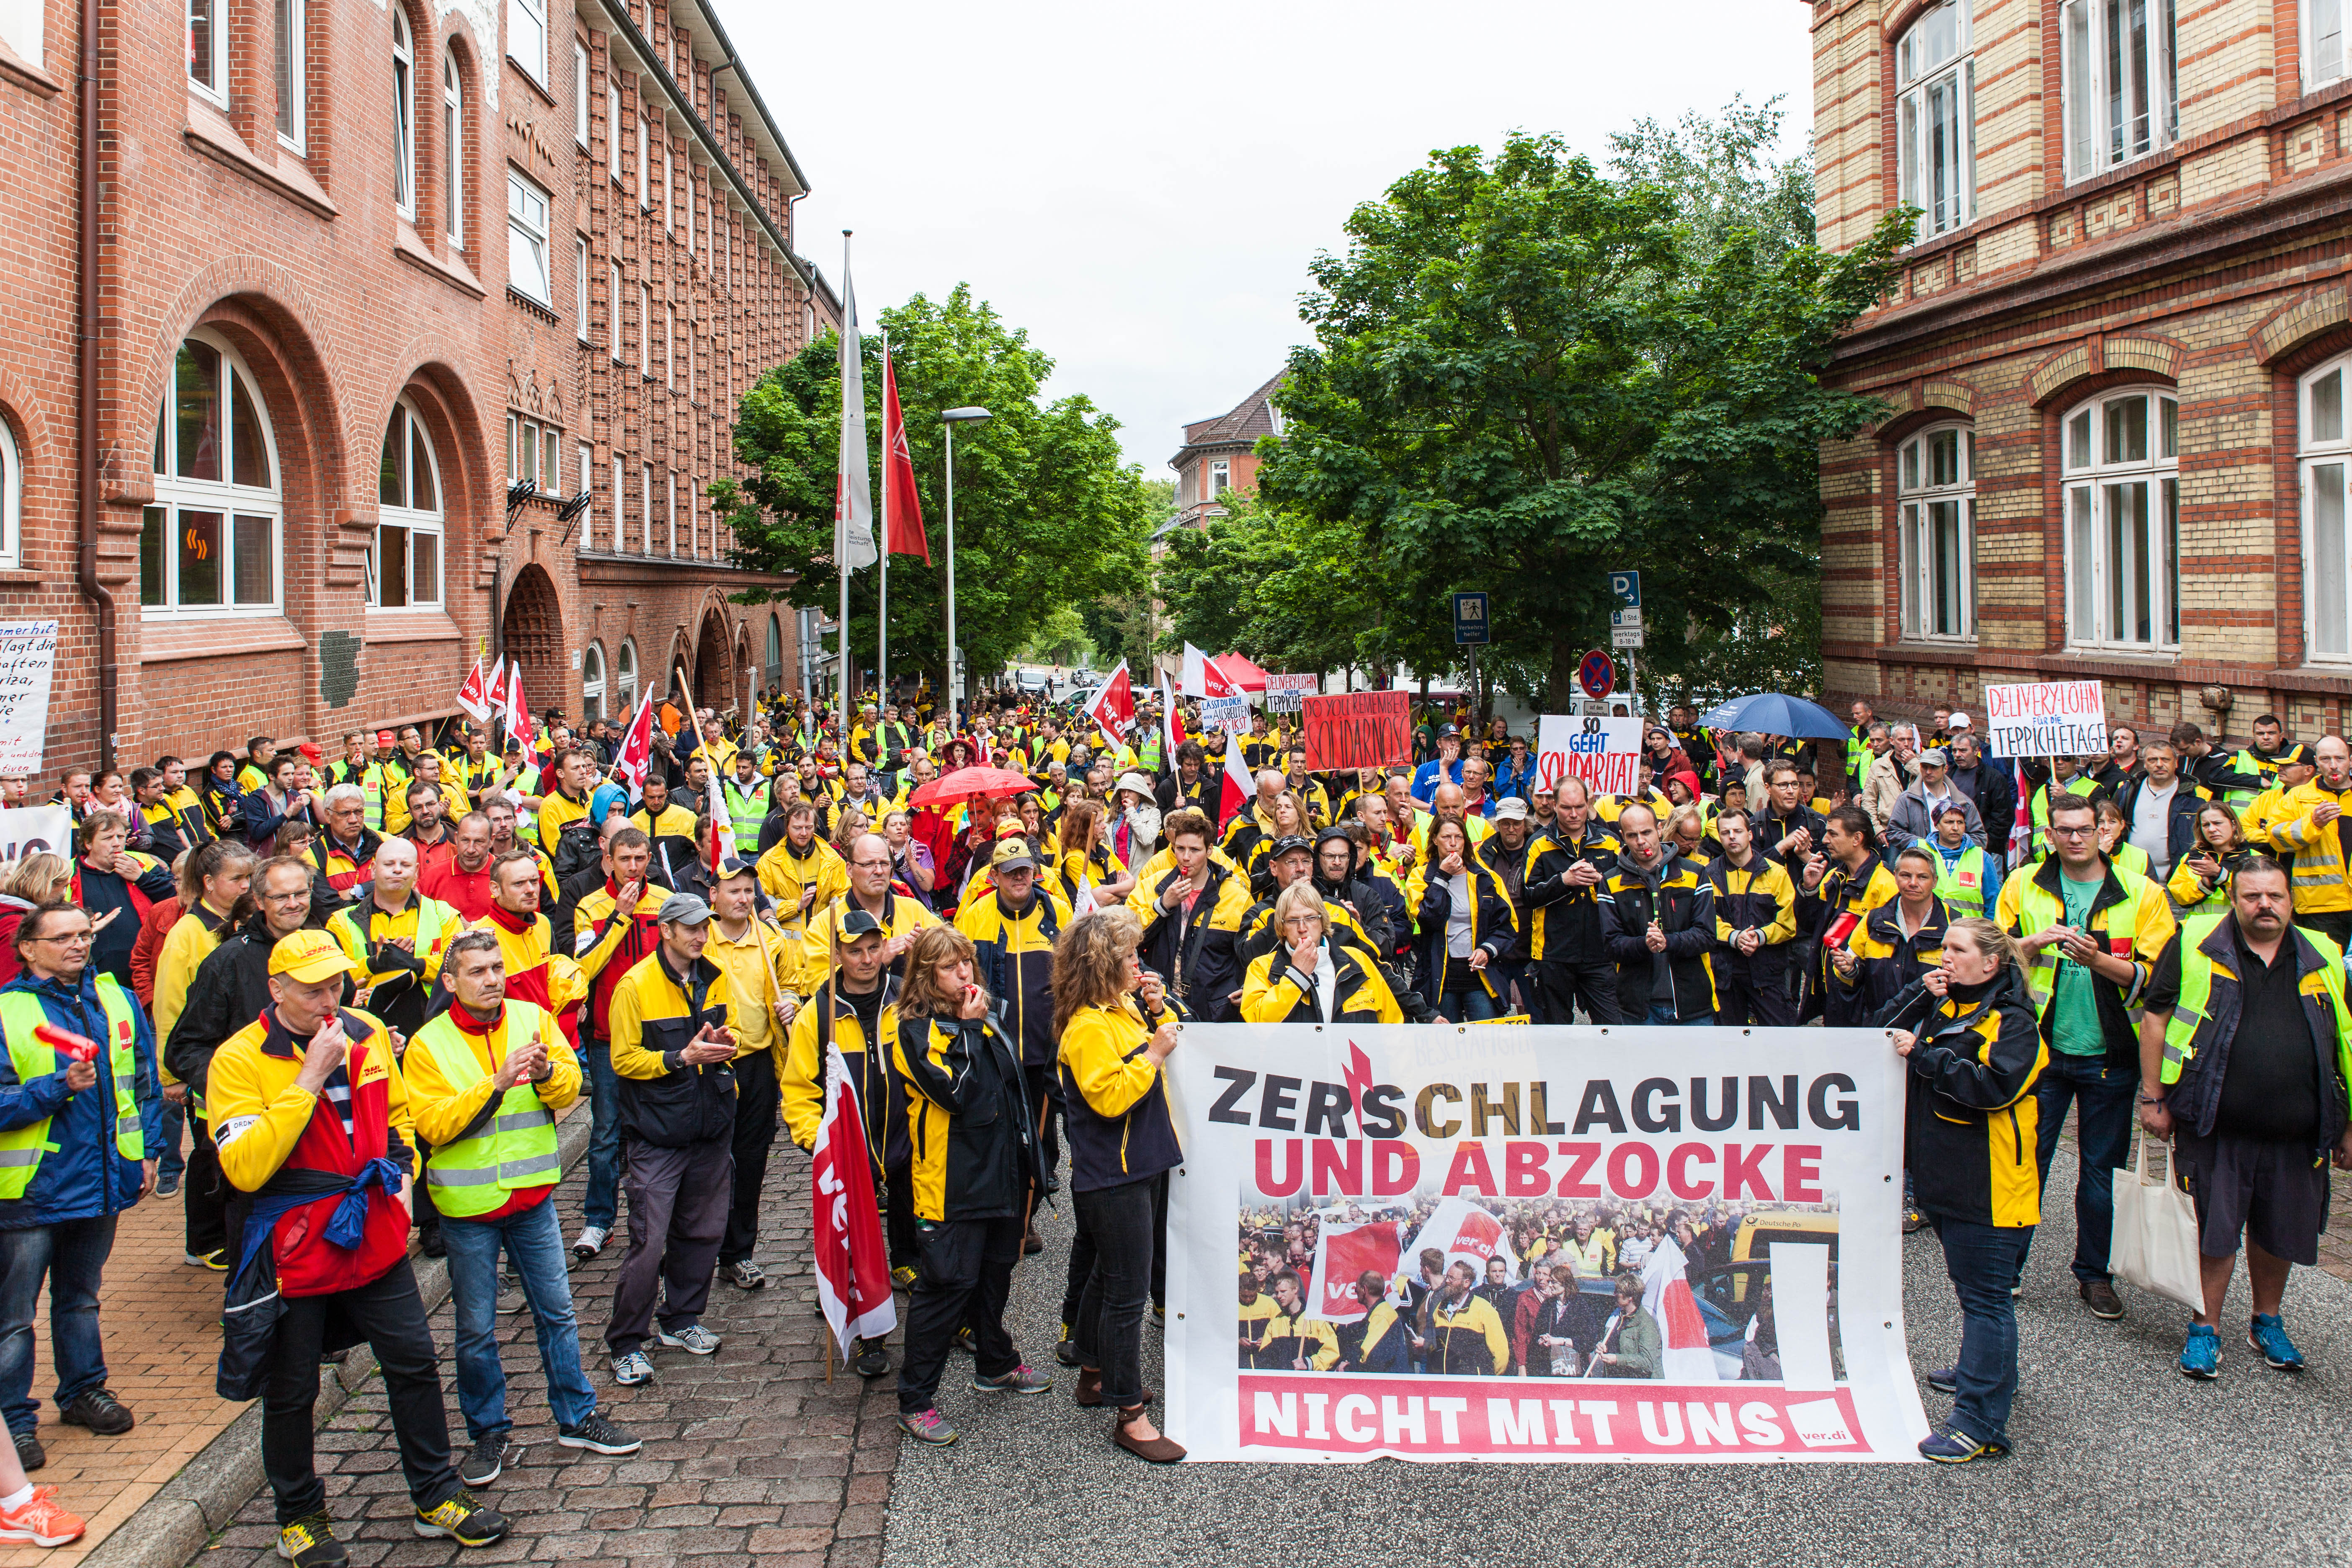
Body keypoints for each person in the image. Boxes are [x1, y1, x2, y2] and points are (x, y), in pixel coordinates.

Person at [207, 928, 508, 1559]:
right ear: (276, 990)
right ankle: (300, 1517)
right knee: (293, 1390)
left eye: (337, 985)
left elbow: (397, 1115)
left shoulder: (365, 1031)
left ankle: (435, 1494)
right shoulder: (238, 1059)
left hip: (372, 1228)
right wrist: (310, 1077)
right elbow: (245, 1168)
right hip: (294, 1245)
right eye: (313, 990)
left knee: (414, 1362)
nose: (329, 1001)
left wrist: (402, 1176)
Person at [401, 931, 639, 1485]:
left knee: (558, 1313)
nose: (491, 979)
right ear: (450, 981)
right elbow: (432, 1126)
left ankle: (577, 1416)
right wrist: (497, 1083)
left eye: (496, 968)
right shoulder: (428, 1045)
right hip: (469, 1209)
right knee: (476, 1330)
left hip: (533, 1198)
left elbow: (572, 1087)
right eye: (477, 971)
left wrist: (549, 1075)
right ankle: (488, 1432)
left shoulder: (533, 1017)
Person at [2138, 859, 2352, 1379]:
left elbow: (2345, 1039)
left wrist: (2349, 1124)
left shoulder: (2323, 953)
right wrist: (2154, 1097)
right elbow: (2156, 1017)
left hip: (2299, 1131)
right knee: (2214, 1231)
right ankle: (2204, 1328)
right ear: (2234, 900)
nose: (2265, 906)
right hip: (2216, 1123)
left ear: (2291, 900)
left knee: (2280, 1230)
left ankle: (2267, 1321)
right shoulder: (2196, 941)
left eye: (2275, 896)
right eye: (2253, 896)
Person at [1996, 792, 2175, 1319]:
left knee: (2101, 1175)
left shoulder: (2142, 893)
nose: (2075, 838)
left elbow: (2156, 980)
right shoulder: (2023, 883)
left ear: (2104, 832)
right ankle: (2008, 1269)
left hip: (2110, 1055)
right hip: (2041, 1052)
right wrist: (2033, 943)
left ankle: (2095, 1275)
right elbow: (1991, 957)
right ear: (2050, 835)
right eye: (2065, 830)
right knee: (2028, 1163)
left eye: (2085, 829)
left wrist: (2099, 961)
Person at [0, 902, 158, 1472]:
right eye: (62, 937)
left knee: (81, 1298)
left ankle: (84, 1391)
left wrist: (149, 1153)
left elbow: (142, 1083)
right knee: (14, 1317)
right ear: (28, 949)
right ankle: (13, 1422)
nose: (78, 945)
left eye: (83, 935)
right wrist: (56, 1087)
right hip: (31, 1191)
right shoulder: (8, 1012)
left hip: (100, 1180)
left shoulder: (114, 999)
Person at [1879, 917, 2044, 1462]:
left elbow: (1993, 1088)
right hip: (1948, 1179)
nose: (1945, 957)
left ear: (1991, 963)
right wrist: (1917, 995)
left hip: (1991, 1185)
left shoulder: (2014, 1023)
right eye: (1944, 947)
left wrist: (1924, 1055)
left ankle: (1980, 1422)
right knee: (1974, 1293)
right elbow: (1877, 1034)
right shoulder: (1946, 1004)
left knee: (1987, 1301)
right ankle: (1987, 1372)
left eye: (1958, 949)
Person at [891, 926, 1049, 1446]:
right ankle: (916, 1400)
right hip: (951, 1180)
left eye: (966, 962)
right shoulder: (914, 1031)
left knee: (995, 1273)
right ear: (926, 976)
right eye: (949, 966)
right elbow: (954, 1092)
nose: (964, 972)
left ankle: (995, 1362)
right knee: (947, 1285)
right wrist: (968, 1030)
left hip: (999, 1170)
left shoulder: (985, 1014)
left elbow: (1012, 1085)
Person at [1053, 910, 1184, 1462]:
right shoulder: (1088, 1026)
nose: (1139, 963)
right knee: (1128, 1294)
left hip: (1137, 1164)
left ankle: (1093, 1372)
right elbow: (1110, 1098)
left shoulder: (1119, 1009)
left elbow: (1163, 1041)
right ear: (1104, 965)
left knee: (1108, 1277)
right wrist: (1153, 1052)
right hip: (1115, 1174)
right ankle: (1130, 1415)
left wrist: (1156, 1012)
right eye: (1129, 956)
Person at [603, 893, 740, 1387]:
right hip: (657, 1134)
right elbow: (623, 1060)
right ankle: (626, 1342)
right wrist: (680, 1058)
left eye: (705, 927)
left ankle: (681, 1318)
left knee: (703, 1232)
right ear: (666, 931)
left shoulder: (715, 974)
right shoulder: (634, 985)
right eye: (691, 928)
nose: (701, 936)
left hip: (710, 1126)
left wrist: (725, 1045)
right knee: (649, 1240)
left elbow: (735, 1032)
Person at [781, 910, 909, 1354]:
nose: (867, 959)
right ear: (838, 954)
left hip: (906, 1144)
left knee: (918, 1242)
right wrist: (818, 1142)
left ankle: (937, 1320)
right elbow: (799, 1091)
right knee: (859, 1252)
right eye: (855, 951)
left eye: (874, 948)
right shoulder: (817, 1015)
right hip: (850, 1155)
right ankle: (871, 1338)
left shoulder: (906, 998)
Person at [567, 828, 667, 1263]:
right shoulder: (591, 906)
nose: (633, 867)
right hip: (608, 1036)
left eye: (640, 859)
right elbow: (584, 967)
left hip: (655, 1033)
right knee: (606, 1134)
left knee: (656, 1131)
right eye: (625, 858)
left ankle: (656, 1218)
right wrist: (619, 919)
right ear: (609, 859)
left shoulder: (663, 900)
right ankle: (599, 1219)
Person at [699, 861, 798, 1294]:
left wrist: (792, 1002)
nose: (743, 899)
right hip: (711, 1065)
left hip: (758, 1063)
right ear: (714, 895)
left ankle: (738, 1253)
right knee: (706, 1163)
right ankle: (693, 1252)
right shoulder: (700, 939)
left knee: (752, 1159)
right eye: (734, 891)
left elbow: (792, 983)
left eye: (748, 892)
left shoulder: (770, 939)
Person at [325, 839, 454, 1046]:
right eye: (389, 864)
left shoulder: (443, 914)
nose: (397, 870)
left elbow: (459, 968)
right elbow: (334, 977)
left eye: (405, 865)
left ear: (417, 872)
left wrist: (417, 965)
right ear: (374, 870)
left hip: (433, 1029)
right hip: (364, 1031)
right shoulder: (341, 922)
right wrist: (374, 963)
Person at [1126, 809, 1250, 1019]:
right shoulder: (1152, 885)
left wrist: (1248, 986)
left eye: (1195, 850)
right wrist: (1163, 905)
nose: (1185, 857)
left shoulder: (1237, 897)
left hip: (1216, 1012)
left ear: (1210, 851)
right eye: (1180, 849)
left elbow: (1253, 955)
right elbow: (1128, 940)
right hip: (1160, 1005)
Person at [1602, 803, 1715, 1026]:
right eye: (1632, 835)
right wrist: (1644, 944)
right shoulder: (1611, 881)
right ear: (1623, 836)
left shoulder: (1695, 873)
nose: (1641, 841)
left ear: (1660, 829)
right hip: (1638, 1007)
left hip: (1692, 1004)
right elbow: (1611, 945)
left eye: (1646, 832)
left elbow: (1707, 935)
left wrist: (1668, 942)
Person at [1523, 778, 1622, 1024]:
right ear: (1555, 805)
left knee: (1612, 1028)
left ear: (1589, 803)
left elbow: (1626, 895)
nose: (1574, 814)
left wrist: (1600, 882)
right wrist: (1563, 881)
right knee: (1556, 1032)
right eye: (1567, 808)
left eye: (1580, 806)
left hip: (1600, 952)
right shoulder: (1538, 843)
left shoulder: (1610, 841)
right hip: (1554, 953)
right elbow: (1528, 896)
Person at [1241, 882, 1405, 1023]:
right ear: (1282, 928)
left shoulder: (1358, 960)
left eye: (1311, 918)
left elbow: (1392, 1025)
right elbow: (1257, 1026)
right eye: (1293, 920)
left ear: (1322, 922)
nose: (1302, 928)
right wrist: (1297, 976)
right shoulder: (1261, 968)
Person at [1405, 818, 1515, 1022]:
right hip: (1441, 977)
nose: (1453, 843)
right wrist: (1442, 877)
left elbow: (1507, 926)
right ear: (1435, 840)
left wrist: (1488, 950)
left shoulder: (1487, 878)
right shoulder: (1420, 877)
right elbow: (1428, 919)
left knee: (1484, 1038)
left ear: (1466, 841)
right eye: (1446, 837)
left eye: (1459, 837)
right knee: (1446, 1039)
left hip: (1479, 976)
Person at [1797, 804, 1898, 1026]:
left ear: (1857, 839)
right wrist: (1809, 890)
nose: (1825, 840)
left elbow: (1889, 952)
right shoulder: (1834, 876)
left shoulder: (1886, 883)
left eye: (1833, 834)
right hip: (1833, 989)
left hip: (1863, 994)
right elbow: (1810, 925)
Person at [1834, 844, 1951, 1024]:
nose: (1913, 883)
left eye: (1922, 877)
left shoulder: (1953, 924)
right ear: (1895, 877)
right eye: (1906, 876)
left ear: (1935, 881)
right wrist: (1849, 970)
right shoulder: (1873, 921)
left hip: (1930, 1030)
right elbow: (1852, 974)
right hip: (1881, 1025)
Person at [1705, 810, 1796, 1025]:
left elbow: (1788, 923)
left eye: (1738, 831)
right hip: (1725, 972)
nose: (1732, 837)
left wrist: (1759, 936)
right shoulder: (1708, 874)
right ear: (1719, 837)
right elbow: (1705, 919)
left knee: (1779, 1034)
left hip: (1766, 970)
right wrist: (1734, 937)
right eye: (1725, 833)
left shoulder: (1775, 873)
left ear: (1750, 834)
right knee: (1729, 1039)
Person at [67, 812, 174, 994]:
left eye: (121, 837)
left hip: (145, 968)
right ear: (88, 843)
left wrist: (142, 878)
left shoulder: (143, 862)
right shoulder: (68, 871)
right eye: (108, 838)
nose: (117, 843)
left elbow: (176, 897)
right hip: (93, 974)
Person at [2268, 734, 2352, 947]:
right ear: (2316, 763)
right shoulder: (2298, 797)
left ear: (2350, 761)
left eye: (2340, 758)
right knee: (2326, 965)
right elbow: (2276, 838)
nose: (2333, 766)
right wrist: (2312, 824)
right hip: (2319, 905)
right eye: (2325, 759)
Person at [1883, 747, 1986, 852]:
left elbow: (1979, 837)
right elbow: (1894, 832)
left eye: (1934, 767)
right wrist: (1924, 845)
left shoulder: (1964, 802)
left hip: (1956, 859)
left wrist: (1954, 847)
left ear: (1945, 769)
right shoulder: (1907, 799)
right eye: (1924, 767)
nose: (1928, 772)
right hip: (1919, 858)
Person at [1418, 1259, 1509, 1375]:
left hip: (1472, 1383)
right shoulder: (1440, 1308)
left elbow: (1501, 1354)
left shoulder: (1484, 1309)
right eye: (1447, 1277)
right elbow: (1433, 1346)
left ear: (1466, 1283)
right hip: (1444, 1381)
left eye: (1452, 1278)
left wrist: (1486, 1379)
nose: (1447, 1281)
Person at [2168, 802, 2254, 915]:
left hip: (2234, 925)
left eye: (2218, 823)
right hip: (2199, 925)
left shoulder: (2254, 858)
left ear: (2233, 825)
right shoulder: (2192, 857)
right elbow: (2180, 896)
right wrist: (2204, 885)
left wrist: (2220, 874)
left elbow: (2254, 894)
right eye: (2206, 825)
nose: (2212, 829)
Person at [419, 813, 498, 922]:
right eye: (465, 840)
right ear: (456, 838)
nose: (471, 849)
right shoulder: (433, 875)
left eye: (479, 841)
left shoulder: (506, 874)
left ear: (491, 841)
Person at [1585, 1274, 1659, 1378]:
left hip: (1635, 1384)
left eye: (1618, 1291)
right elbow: (1612, 1343)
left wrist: (1617, 1360)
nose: (1614, 1294)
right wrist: (1602, 1347)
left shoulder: (1646, 1324)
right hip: (1614, 1380)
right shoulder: (1615, 1316)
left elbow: (1648, 1363)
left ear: (1630, 1297)